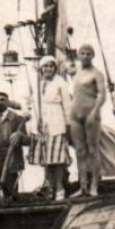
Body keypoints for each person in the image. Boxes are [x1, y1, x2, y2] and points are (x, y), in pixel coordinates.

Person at [68, 45, 109, 196]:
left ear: (92, 56)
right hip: (75, 115)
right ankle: (82, 186)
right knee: (79, 151)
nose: (85, 56)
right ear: (78, 55)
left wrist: (95, 112)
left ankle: (94, 186)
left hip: (91, 114)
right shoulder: (76, 73)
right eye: (82, 53)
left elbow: (102, 95)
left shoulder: (97, 74)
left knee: (92, 150)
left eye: (88, 54)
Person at [34, 55, 73, 199]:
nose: (48, 69)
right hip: (41, 125)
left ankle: (60, 188)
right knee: (46, 160)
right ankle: (50, 187)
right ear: (41, 68)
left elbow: (67, 105)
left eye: (51, 66)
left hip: (57, 123)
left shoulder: (60, 82)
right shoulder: (37, 82)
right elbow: (29, 101)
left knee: (57, 159)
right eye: (45, 66)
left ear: (55, 68)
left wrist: (68, 124)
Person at [0, 90, 29, 197]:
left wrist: (20, 135)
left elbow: (27, 141)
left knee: (11, 192)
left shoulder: (17, 118)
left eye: (2, 100)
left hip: (10, 159)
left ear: (8, 102)